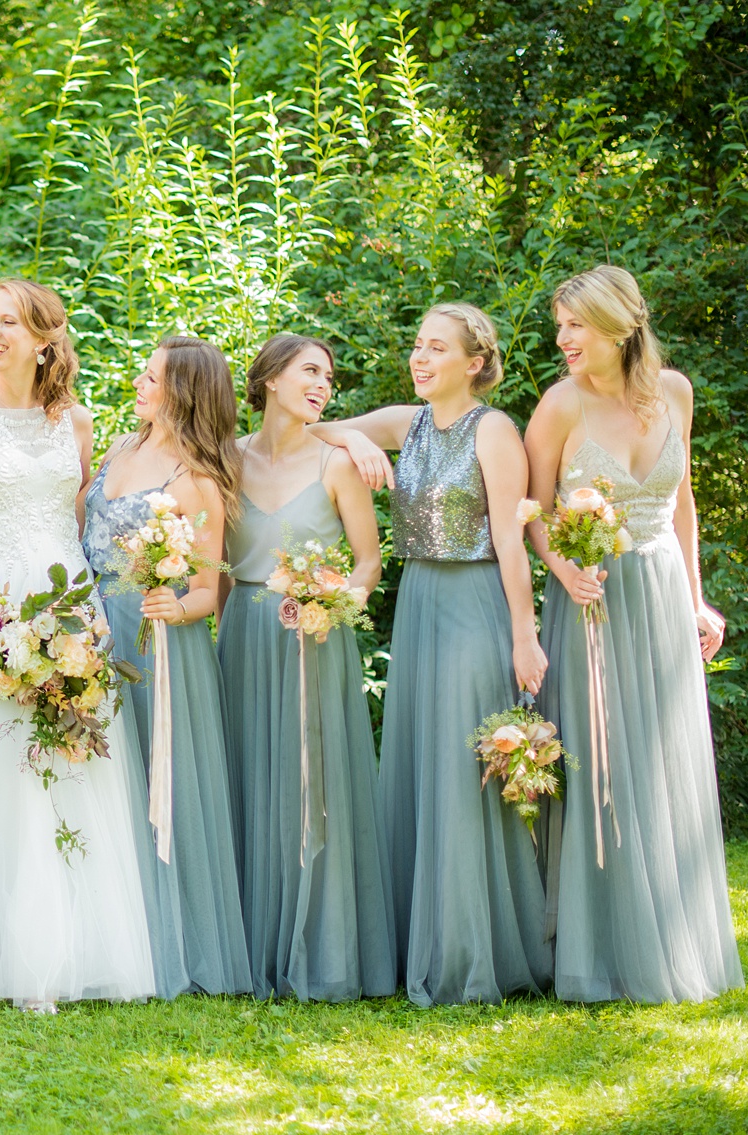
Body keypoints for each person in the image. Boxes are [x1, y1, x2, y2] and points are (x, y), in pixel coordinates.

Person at [313, 305, 553, 1006]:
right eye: (417, 345)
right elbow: (317, 428)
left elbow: (512, 542)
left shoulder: (495, 431)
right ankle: (414, 940)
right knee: (419, 762)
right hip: (417, 601)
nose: (420, 358)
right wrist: (357, 444)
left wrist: (525, 633)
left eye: (437, 348)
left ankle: (469, 950)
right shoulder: (406, 423)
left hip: (475, 601)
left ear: (474, 363)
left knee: (462, 767)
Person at [0, 278, 156, 1012]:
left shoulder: (77, 422)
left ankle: (84, 947)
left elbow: (77, 516)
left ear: (44, 339)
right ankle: (17, 958)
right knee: (9, 770)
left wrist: (89, 622)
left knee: (73, 758)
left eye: (11, 323)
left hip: (70, 602)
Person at [526, 264, 743, 1002]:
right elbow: (532, 514)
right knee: (601, 763)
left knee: (662, 762)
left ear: (620, 326)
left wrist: (698, 599)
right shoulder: (559, 406)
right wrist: (562, 568)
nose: (564, 339)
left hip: (658, 593)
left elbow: (682, 505)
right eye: (561, 326)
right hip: (592, 600)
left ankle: (672, 935)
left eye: (575, 325)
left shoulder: (674, 391)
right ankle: (594, 951)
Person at [219, 333, 396, 1001]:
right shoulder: (226, 460)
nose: (323, 384)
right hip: (242, 634)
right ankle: (248, 945)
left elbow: (368, 560)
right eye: (310, 370)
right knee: (250, 774)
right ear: (268, 379)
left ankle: (322, 947)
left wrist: (332, 606)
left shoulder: (337, 462)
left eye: (329, 375)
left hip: (314, 635)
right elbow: (219, 563)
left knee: (311, 783)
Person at [80, 335, 250, 998]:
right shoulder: (122, 448)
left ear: (184, 392)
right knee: (103, 779)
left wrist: (171, 609)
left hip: (155, 640)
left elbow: (209, 589)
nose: (139, 385)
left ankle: (170, 940)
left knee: (158, 783)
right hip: (90, 622)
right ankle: (108, 933)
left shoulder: (196, 479)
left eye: (152, 378)